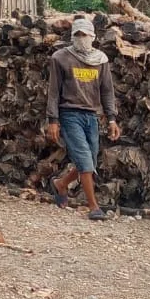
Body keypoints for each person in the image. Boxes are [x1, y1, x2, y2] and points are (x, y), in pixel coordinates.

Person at [45, 17, 121, 221]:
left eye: (84, 34)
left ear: (92, 36)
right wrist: (53, 120)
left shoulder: (101, 60)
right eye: (77, 34)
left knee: (89, 159)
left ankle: (61, 184)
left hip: (92, 115)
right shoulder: (60, 58)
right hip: (70, 114)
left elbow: (107, 91)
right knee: (85, 160)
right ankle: (94, 207)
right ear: (72, 36)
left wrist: (112, 118)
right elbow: (53, 91)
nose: (81, 38)